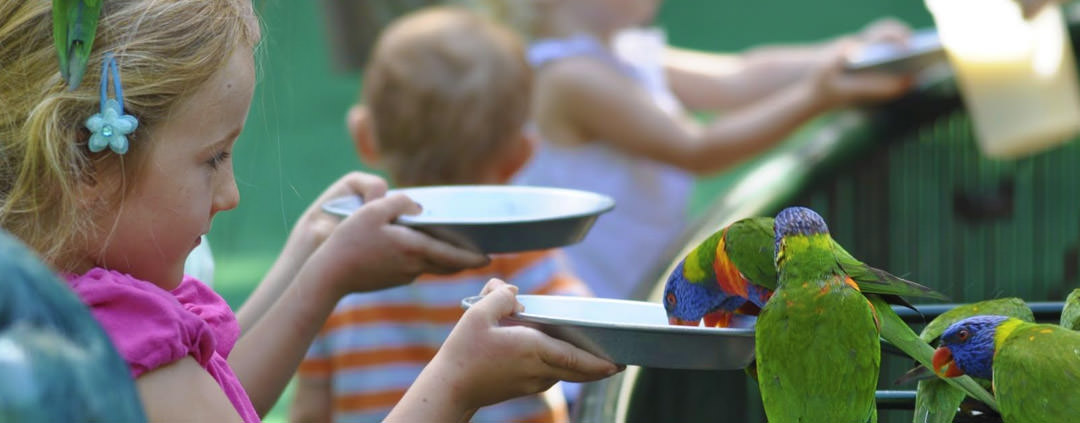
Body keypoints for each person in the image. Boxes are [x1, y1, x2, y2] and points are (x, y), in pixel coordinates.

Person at [0, 1, 620, 422]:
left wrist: (319, 261)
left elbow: (224, 392)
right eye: (213, 157)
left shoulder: (59, 304)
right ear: (90, 166)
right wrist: (455, 383)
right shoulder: (121, 345)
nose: (229, 193)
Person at [464, 0, 915, 300]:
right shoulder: (570, 76)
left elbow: (738, 78)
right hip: (599, 297)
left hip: (634, 282)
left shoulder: (620, 53)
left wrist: (850, 53)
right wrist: (820, 95)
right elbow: (697, 149)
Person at [289, 7, 594, 422]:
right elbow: (583, 329)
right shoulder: (517, 250)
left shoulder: (337, 262)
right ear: (519, 157)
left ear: (364, 137)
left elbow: (310, 410)